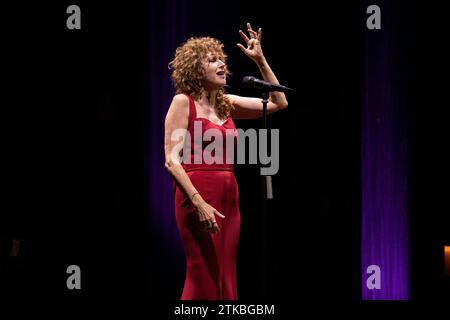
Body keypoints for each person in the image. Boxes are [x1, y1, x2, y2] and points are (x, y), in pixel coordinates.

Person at [164, 22, 288, 300]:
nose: (222, 64)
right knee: (202, 272)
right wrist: (199, 203)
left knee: (225, 274)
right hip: (196, 194)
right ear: (195, 70)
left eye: (222, 59)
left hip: (229, 195)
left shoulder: (225, 103)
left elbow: (279, 102)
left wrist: (260, 60)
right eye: (212, 60)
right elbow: (172, 161)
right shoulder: (183, 102)